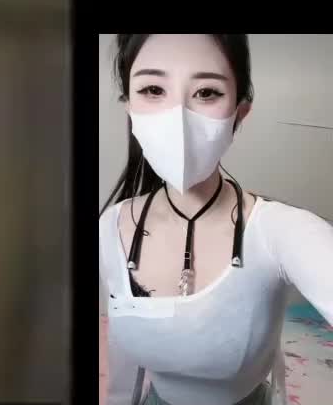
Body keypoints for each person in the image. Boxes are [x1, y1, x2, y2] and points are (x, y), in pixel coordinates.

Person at [98, 34, 332, 405]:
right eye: (153, 89)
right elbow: (123, 367)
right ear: (129, 107)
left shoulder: (280, 232)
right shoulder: (110, 228)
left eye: (207, 92)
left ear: (240, 112)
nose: (177, 118)